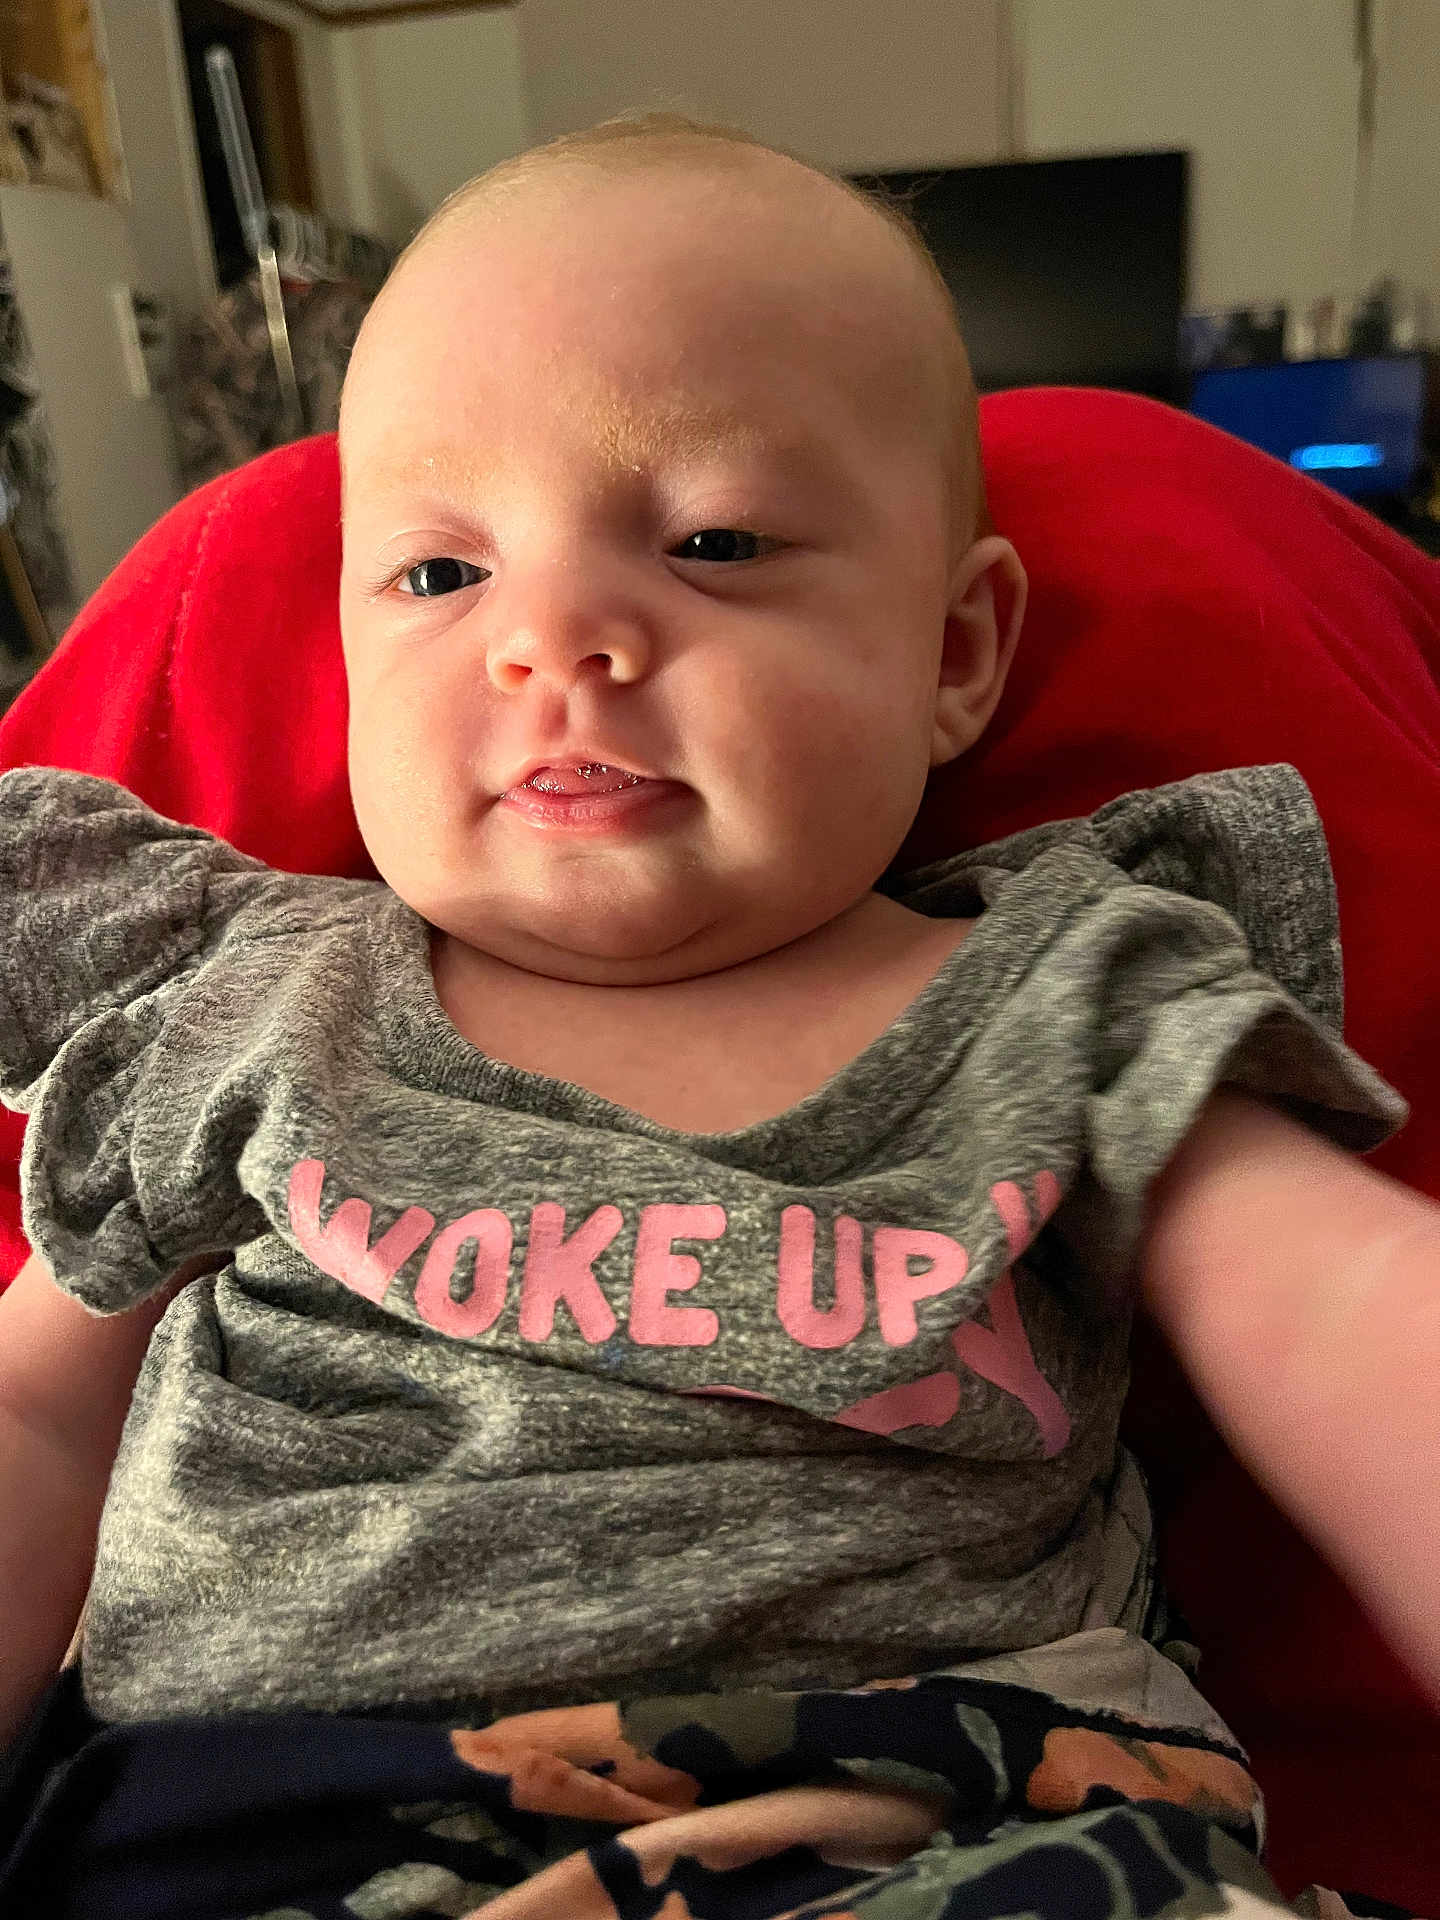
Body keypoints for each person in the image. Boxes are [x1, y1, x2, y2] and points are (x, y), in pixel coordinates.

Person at [0, 115, 1437, 1919]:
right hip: (253, 1820)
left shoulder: (1065, 991)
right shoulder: (245, 1002)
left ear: (953, 657)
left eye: (717, 538)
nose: (559, 637)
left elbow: (1347, 1311)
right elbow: (39, 1420)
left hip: (940, 1819)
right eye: (442, 575)